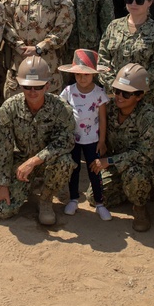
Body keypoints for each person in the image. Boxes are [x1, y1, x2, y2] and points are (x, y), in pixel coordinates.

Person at [0, 56, 76, 226]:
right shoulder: (9, 108)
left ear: (48, 85)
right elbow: (3, 149)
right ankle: (29, 187)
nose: (32, 92)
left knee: (65, 162)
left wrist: (35, 161)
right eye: (27, 87)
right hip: (20, 164)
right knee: (0, 211)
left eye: (38, 87)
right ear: (20, 85)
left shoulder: (61, 108)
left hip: (46, 162)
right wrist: (3, 184)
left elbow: (66, 141)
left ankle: (46, 198)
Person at [94, 63, 154, 232]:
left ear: (139, 96)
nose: (119, 96)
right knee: (95, 197)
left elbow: (145, 154)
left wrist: (109, 160)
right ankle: (135, 190)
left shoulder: (149, 116)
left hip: (139, 166)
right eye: (116, 91)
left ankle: (140, 206)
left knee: (135, 176)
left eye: (126, 93)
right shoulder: (109, 109)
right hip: (116, 166)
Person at [1, 0, 74, 97]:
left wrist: (40, 48)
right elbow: (3, 23)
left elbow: (64, 27)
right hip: (19, 66)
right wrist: (19, 46)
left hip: (48, 68)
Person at [97, 0, 154, 107]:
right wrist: (116, 86)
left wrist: (134, 90)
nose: (134, 3)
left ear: (150, 2)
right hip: (114, 97)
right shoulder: (114, 26)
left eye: (140, 0)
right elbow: (102, 60)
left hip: (142, 100)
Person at [58, 50, 110, 219]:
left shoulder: (99, 93)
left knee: (94, 170)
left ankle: (100, 202)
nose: (82, 78)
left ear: (93, 75)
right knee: (74, 169)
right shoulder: (68, 91)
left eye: (86, 74)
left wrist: (102, 141)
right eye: (79, 74)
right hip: (73, 139)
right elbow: (62, 113)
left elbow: (102, 119)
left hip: (92, 140)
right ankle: (73, 199)